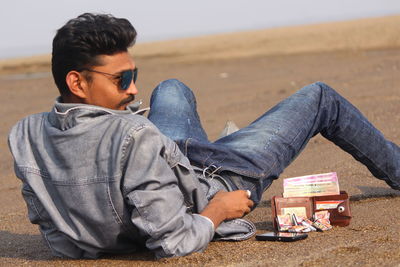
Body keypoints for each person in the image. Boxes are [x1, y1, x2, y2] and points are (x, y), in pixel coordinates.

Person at [8, 13, 399, 259]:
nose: (131, 89)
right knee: (319, 97)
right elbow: (172, 242)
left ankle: (221, 143)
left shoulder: (24, 135)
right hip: (218, 180)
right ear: (76, 81)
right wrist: (218, 212)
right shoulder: (134, 132)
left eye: (133, 75)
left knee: (171, 88)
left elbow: (60, 241)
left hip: (170, 160)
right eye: (121, 79)